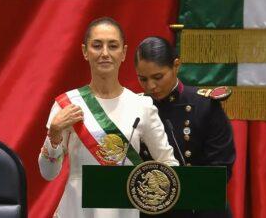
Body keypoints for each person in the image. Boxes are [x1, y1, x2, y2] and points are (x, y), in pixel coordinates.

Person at [38, 18, 179, 218]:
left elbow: (169, 164)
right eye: (97, 45)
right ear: (85, 51)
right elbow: (48, 173)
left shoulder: (142, 106)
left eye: (113, 46)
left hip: (125, 210)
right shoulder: (67, 104)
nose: (105, 53)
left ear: (123, 53)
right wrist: (54, 132)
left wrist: (150, 194)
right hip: (77, 210)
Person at [134, 36, 236, 218]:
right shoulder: (135, 107)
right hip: (154, 211)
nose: (151, 86)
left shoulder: (204, 105)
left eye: (158, 77)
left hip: (202, 209)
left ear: (176, 65)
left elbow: (221, 168)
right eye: (143, 79)